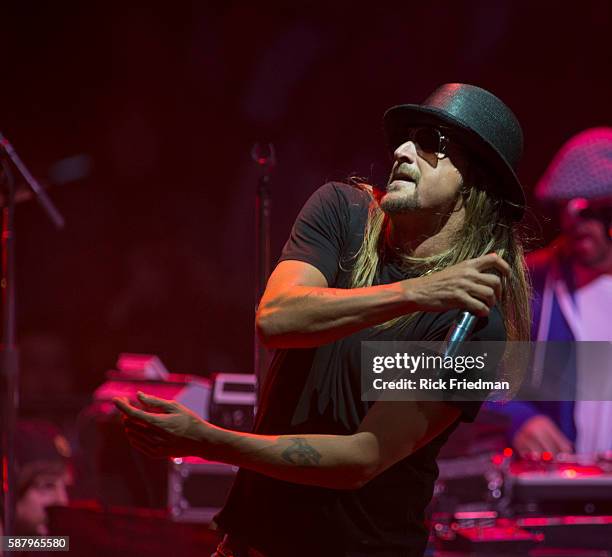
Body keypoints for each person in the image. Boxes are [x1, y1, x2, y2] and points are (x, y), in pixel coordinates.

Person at [114, 83, 531, 557]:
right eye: (405, 137)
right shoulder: (344, 213)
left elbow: (361, 457)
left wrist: (206, 440)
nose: (401, 151)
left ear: (477, 183)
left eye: (431, 141)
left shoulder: (474, 325)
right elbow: (276, 319)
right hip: (250, 545)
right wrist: (414, 293)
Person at [502, 128, 612, 456]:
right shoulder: (532, 282)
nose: (573, 221)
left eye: (591, 209)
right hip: (562, 489)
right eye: (565, 208)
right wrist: (517, 418)